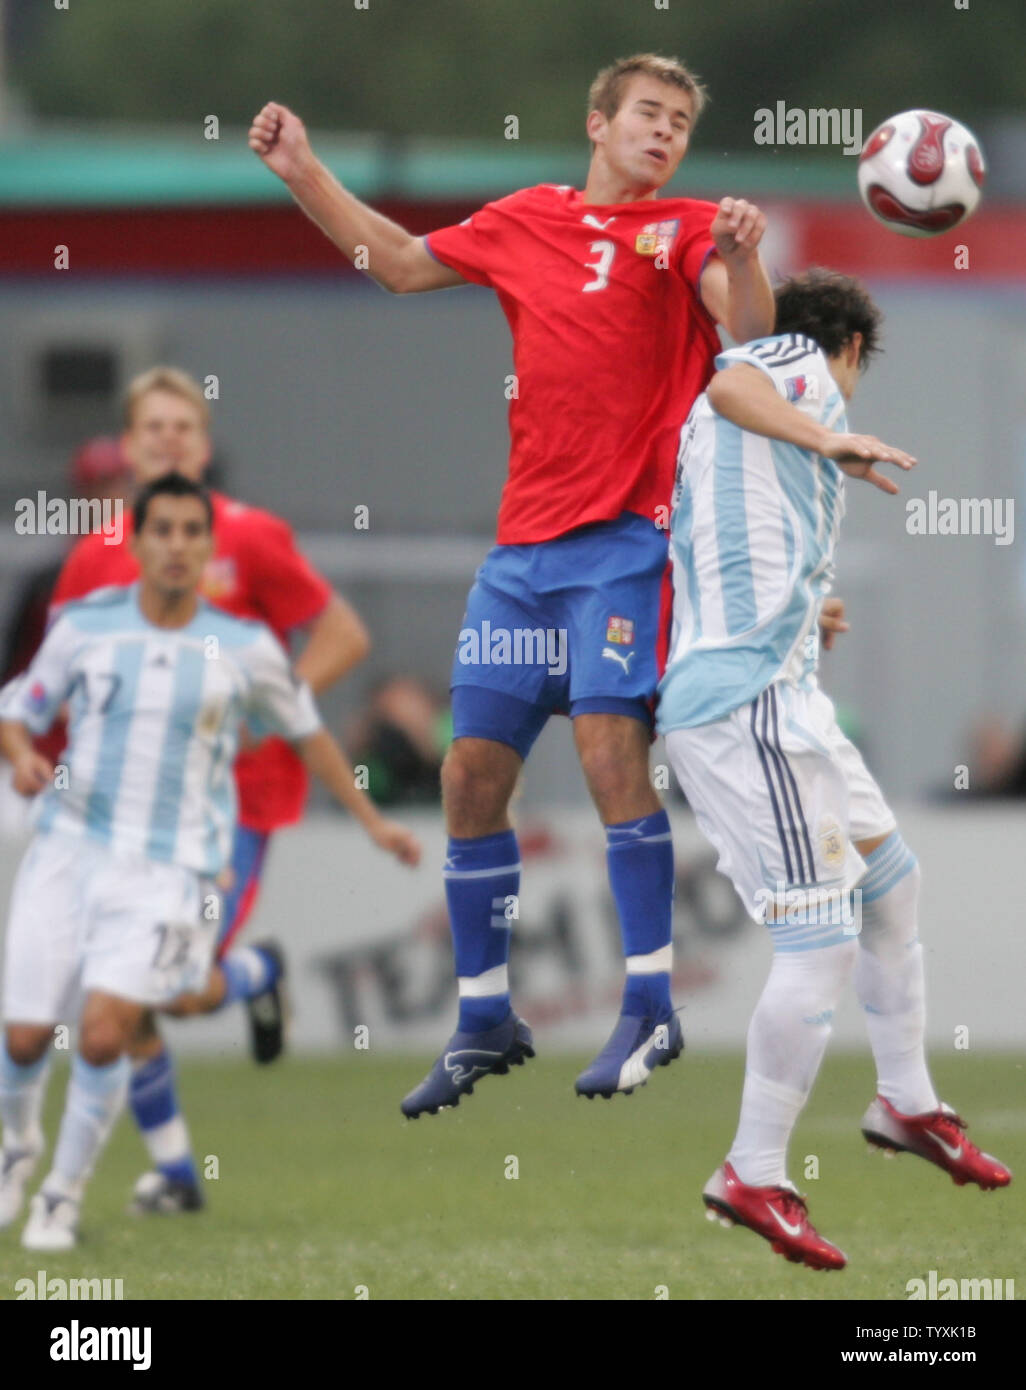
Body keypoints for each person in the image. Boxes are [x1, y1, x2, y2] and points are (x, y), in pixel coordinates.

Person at [249, 53, 775, 1115]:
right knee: (468, 777)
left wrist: (745, 258)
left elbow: (754, 333)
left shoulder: (679, 230)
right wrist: (303, 171)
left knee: (605, 747)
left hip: (626, 542)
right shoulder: (527, 219)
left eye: (680, 120)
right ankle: (485, 1015)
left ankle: (650, 1000)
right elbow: (395, 263)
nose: (665, 132)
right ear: (599, 120)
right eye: (648, 114)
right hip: (522, 558)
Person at [658, 268, 1011, 1271]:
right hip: (745, 708)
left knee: (894, 884)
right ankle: (752, 1170)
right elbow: (732, 381)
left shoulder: (753, 435)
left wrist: (808, 616)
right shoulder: (790, 366)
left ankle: (906, 1097)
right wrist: (829, 433)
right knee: (821, 941)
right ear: (853, 348)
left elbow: (727, 540)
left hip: (783, 693)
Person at [0, 473, 420, 1251]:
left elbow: (308, 733)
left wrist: (373, 823)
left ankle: (61, 1196)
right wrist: (24, 755)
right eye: (162, 530)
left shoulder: (245, 648)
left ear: (207, 548)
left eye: (194, 533)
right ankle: (16, 1151)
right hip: (67, 852)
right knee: (25, 1038)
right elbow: (17, 710)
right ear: (136, 540)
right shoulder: (85, 626)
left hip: (166, 872)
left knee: (102, 1034)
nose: (178, 546)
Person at [50, 367, 371, 1211]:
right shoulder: (92, 558)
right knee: (117, 989)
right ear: (128, 446)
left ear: (203, 444)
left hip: (233, 803)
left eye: (181, 428)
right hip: (125, 811)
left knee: (175, 988)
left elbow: (342, 632)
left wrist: (266, 710)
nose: (166, 440)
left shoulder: (248, 538)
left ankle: (258, 972)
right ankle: (178, 1173)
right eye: (151, 428)